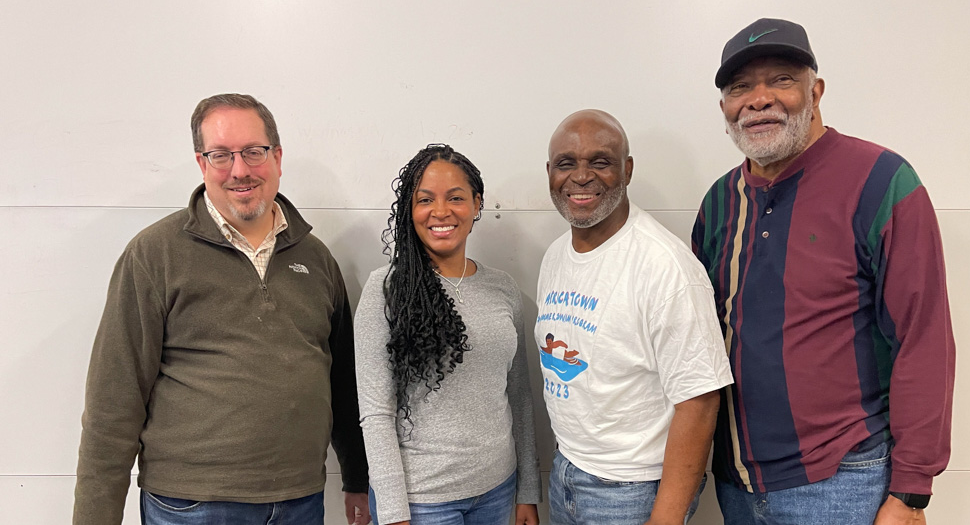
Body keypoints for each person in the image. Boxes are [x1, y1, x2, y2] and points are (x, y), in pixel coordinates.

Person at [691, 18, 956, 525]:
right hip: (737, 483)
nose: (759, 98)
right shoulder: (720, 202)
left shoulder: (881, 181)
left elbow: (923, 339)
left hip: (843, 482)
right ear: (724, 107)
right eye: (739, 87)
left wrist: (911, 491)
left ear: (816, 91)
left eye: (781, 80)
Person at [73, 93, 370, 525]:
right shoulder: (155, 254)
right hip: (193, 505)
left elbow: (343, 380)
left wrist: (357, 478)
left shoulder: (317, 258)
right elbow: (113, 402)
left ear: (277, 157)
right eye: (221, 155)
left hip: (300, 499)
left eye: (253, 152)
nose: (240, 170)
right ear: (202, 164)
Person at [536, 109, 734, 524]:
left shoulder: (666, 267)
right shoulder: (556, 256)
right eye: (566, 164)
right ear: (550, 172)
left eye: (601, 162)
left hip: (632, 492)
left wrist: (665, 518)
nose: (581, 176)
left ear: (626, 169)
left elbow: (699, 402)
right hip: (565, 472)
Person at [353, 144, 541, 525]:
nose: (441, 212)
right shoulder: (385, 290)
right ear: (410, 210)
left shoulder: (503, 288)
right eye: (425, 200)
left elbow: (519, 395)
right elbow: (375, 412)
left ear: (476, 204)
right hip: (422, 502)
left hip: (497, 491)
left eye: (455, 198)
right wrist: (391, 512)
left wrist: (528, 491)